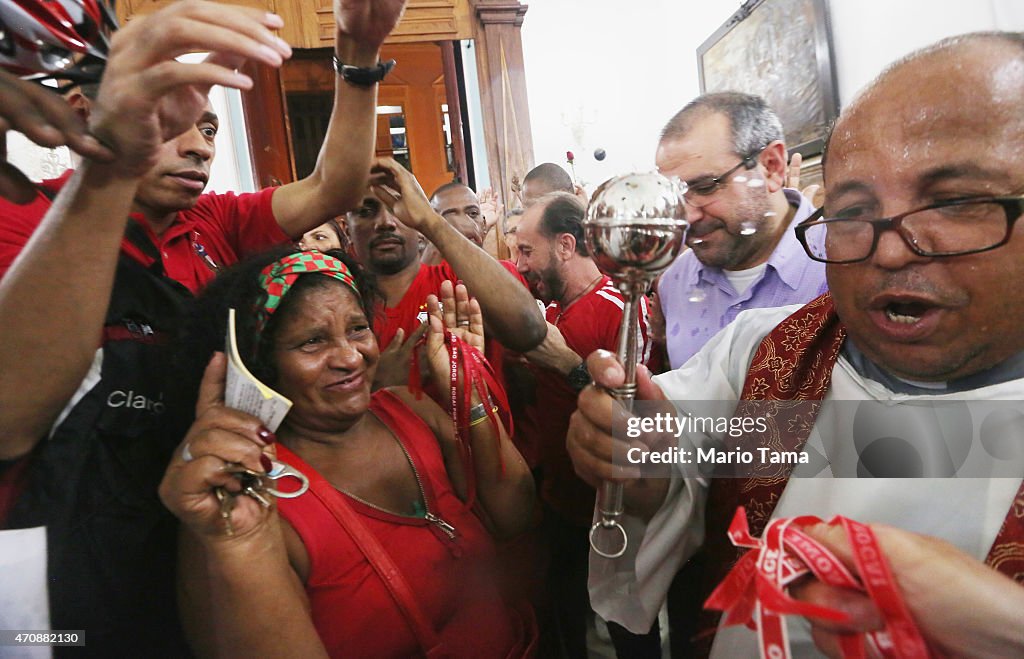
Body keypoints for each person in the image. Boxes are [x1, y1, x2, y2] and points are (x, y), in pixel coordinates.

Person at [567, 31, 1024, 658]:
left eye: (954, 201)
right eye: (853, 208)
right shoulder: (769, 358)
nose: (889, 249)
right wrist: (640, 463)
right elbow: (697, 457)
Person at [0, 0, 407, 651]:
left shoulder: (214, 224)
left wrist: (357, 53)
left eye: (209, 128)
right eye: (170, 122)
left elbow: (333, 185)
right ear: (84, 114)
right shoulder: (23, 225)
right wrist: (117, 162)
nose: (197, 144)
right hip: (54, 559)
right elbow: (7, 415)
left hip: (193, 522)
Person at [160, 247, 537, 657]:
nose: (349, 357)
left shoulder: (410, 409)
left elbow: (513, 513)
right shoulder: (250, 491)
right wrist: (239, 541)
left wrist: (467, 388)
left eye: (357, 329)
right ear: (261, 364)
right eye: (313, 341)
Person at [514, 191, 652, 658]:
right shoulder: (550, 309)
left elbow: (637, 419)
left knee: (629, 634)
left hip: (614, 515)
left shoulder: (621, 309)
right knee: (567, 627)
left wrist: (565, 362)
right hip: (560, 507)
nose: (519, 263)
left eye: (526, 250)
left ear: (566, 246)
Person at [655, 92, 828, 370]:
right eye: (672, 196)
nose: (686, 216)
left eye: (706, 187)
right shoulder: (674, 282)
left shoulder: (844, 265)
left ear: (771, 167)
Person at [347, 157, 545, 390]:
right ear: (347, 231)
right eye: (366, 211)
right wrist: (376, 386)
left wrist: (431, 222)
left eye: (396, 208)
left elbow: (530, 330)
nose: (385, 222)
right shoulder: (342, 302)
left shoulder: (458, 281)